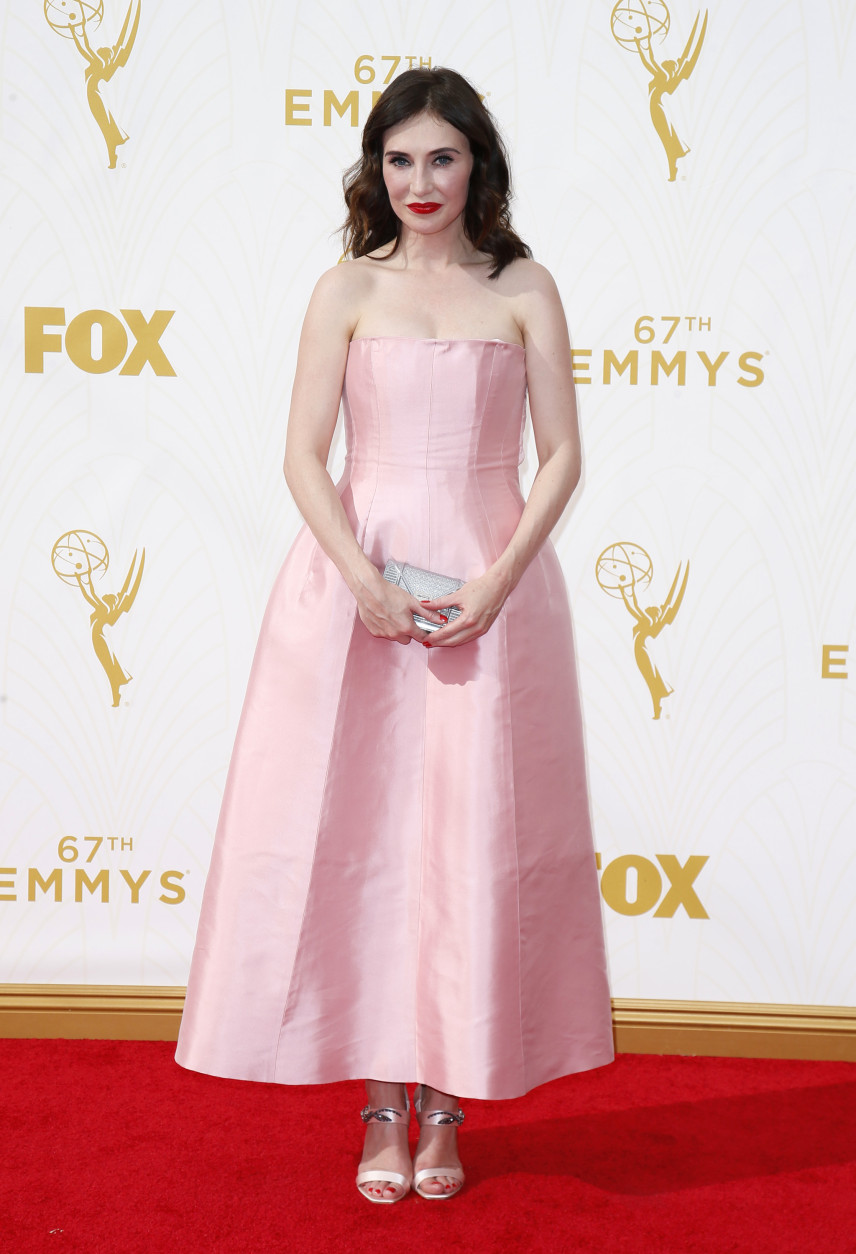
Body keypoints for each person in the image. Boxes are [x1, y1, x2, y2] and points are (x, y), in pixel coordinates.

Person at [175, 66, 614, 1204]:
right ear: (376, 169)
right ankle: (381, 1102)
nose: (419, 181)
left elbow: (560, 454)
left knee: (469, 843)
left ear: (479, 165)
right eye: (400, 159)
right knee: (365, 841)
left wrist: (501, 579)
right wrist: (361, 578)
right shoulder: (344, 289)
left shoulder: (524, 287)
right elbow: (300, 456)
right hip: (352, 595)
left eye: (443, 158)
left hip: (492, 591)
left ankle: (450, 1102)